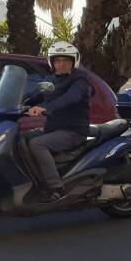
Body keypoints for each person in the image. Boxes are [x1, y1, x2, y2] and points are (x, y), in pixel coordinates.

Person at [25, 41, 91, 202]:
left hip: (73, 130)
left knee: (37, 144)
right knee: (21, 138)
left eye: (66, 60)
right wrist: (16, 103)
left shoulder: (80, 80)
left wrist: (45, 109)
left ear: (74, 61)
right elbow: (34, 95)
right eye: (57, 60)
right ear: (51, 62)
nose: (61, 64)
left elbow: (70, 98)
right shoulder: (51, 80)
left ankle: (56, 187)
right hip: (54, 128)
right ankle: (31, 181)